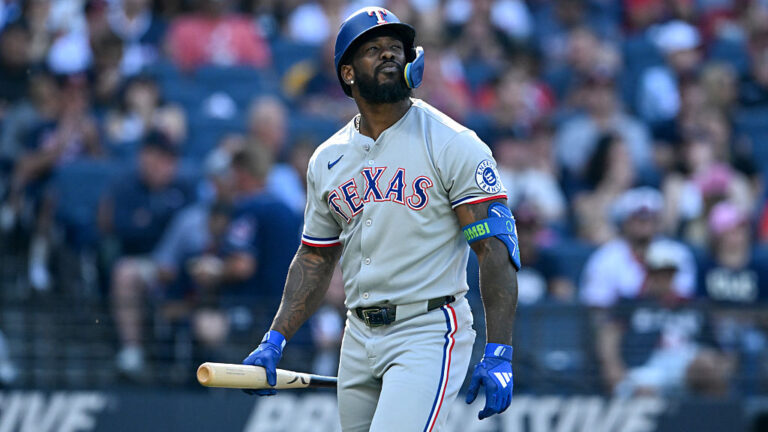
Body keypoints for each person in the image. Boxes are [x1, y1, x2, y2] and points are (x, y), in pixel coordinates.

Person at [241, 7, 520, 431]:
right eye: (374, 49)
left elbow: (494, 248)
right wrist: (274, 339)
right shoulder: (327, 159)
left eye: (396, 48)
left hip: (427, 328)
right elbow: (314, 258)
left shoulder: (454, 143)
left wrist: (499, 349)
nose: (390, 55)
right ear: (348, 73)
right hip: (357, 334)